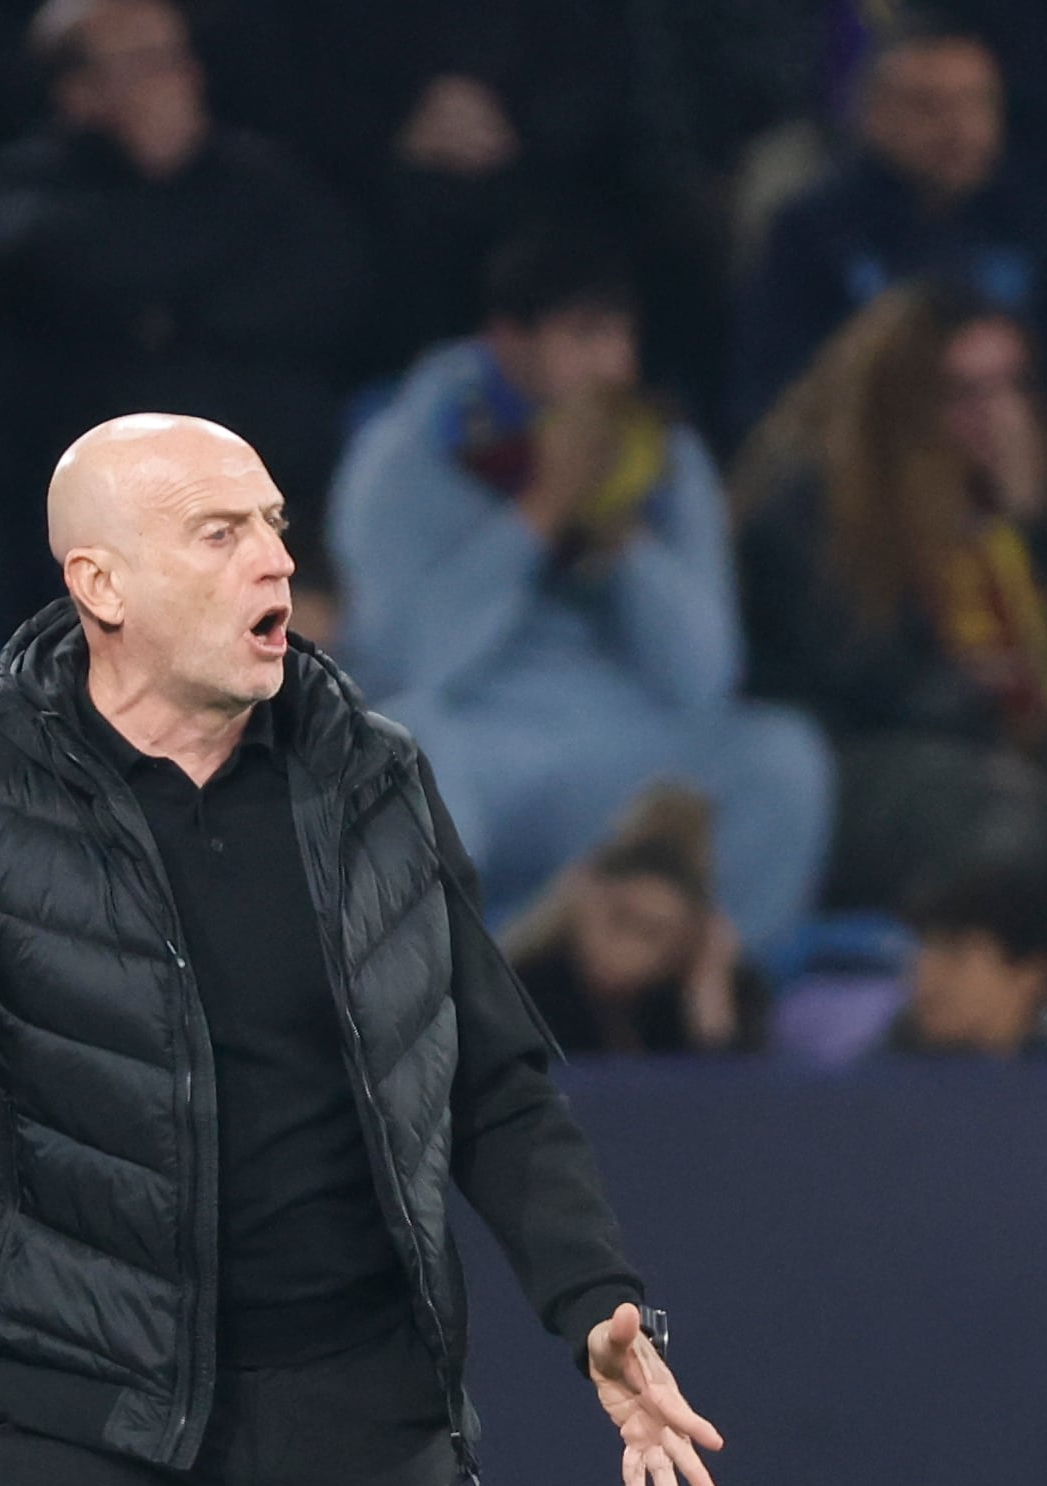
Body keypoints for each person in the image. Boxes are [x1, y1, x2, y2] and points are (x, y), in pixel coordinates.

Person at [0, 414, 721, 1486]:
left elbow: (491, 1081)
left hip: (355, 1388)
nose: (275, 560)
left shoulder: (375, 781)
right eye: (220, 534)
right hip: (89, 1403)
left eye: (272, 525)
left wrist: (593, 1296)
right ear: (101, 584)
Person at [330, 227, 832, 950]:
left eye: (622, 338)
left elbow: (706, 679)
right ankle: (449, 989)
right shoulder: (406, 454)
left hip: (621, 745)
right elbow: (400, 663)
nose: (613, 367)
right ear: (510, 341)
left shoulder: (664, 459)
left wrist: (623, 541)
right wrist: (540, 515)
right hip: (480, 738)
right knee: (400, 752)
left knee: (784, 758)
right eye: (585, 337)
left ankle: (721, 990)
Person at [735, 278, 1047, 1048]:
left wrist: (1036, 530)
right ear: (906, 401)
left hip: (1013, 749)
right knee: (1003, 813)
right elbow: (855, 675)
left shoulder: (1044, 490)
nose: (995, 415)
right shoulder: (820, 500)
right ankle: (958, 1049)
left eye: (1012, 387)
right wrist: (983, 700)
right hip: (860, 765)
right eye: (964, 394)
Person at [0, 0, 373, 607]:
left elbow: (325, 290)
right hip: (98, 514)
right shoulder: (20, 189)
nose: (182, 78)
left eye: (178, 57)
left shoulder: (261, 180)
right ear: (78, 92)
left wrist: (163, 311)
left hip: (272, 487)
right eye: (148, 62)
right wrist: (182, 288)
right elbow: (57, 272)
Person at [731, 12, 1047, 459]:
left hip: (1027, 472)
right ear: (872, 115)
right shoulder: (811, 232)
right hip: (861, 472)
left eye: (975, 103)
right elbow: (773, 391)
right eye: (928, 107)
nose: (957, 129)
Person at [502, 785, 770, 1058]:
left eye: (651, 932)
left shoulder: (727, 994)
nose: (624, 949)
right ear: (583, 898)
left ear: (687, 939)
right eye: (619, 919)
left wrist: (709, 1004)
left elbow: (741, 1082)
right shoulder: (521, 985)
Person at [889, 862, 1047, 1057]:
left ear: (1030, 975)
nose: (925, 979)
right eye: (920, 956)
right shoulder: (884, 1066)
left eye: (954, 953)